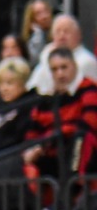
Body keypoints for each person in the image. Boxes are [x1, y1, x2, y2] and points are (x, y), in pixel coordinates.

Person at [23, 49, 97, 180]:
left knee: (80, 139)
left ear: (74, 65)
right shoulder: (46, 99)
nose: (60, 73)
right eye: (55, 69)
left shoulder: (89, 88)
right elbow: (33, 130)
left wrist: (56, 135)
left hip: (80, 150)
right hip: (51, 151)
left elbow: (90, 122)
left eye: (64, 67)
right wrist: (34, 147)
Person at [27, 15, 97, 94]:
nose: (62, 36)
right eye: (58, 31)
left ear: (78, 35)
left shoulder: (86, 61)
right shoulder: (46, 55)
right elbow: (33, 85)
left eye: (66, 31)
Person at [21, 0, 57, 65]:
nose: (44, 16)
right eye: (38, 13)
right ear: (32, 19)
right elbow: (36, 60)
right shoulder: (33, 38)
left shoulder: (58, 33)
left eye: (46, 11)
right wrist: (38, 34)